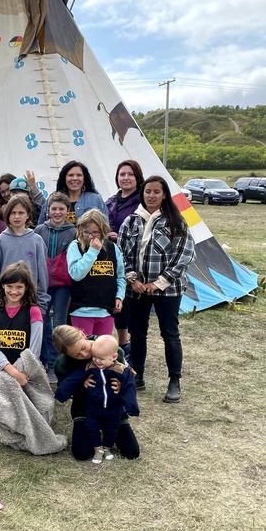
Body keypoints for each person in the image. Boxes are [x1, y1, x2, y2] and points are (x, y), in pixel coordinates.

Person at [118, 176, 195, 403]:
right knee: (137, 332)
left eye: (156, 192)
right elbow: (121, 253)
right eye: (148, 191)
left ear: (164, 195)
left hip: (168, 289)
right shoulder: (131, 221)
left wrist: (159, 282)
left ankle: (174, 380)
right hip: (137, 288)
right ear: (142, 194)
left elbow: (185, 254)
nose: (151, 196)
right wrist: (132, 279)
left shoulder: (175, 221)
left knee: (169, 333)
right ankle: (138, 375)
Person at [52, 325, 139, 461]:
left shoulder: (110, 347)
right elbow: (66, 389)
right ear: (66, 354)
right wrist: (82, 385)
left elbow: (128, 377)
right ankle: (93, 431)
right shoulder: (62, 364)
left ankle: (110, 433)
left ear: (83, 335)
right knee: (82, 453)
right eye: (76, 355)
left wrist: (121, 386)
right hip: (85, 409)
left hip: (113, 408)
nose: (84, 355)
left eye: (83, 348)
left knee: (131, 452)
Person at [105, 159, 145, 353]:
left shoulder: (142, 202)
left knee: (130, 303)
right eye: (122, 174)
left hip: (133, 259)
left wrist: (119, 236)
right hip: (111, 257)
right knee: (116, 300)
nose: (126, 178)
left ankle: (128, 344)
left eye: (130, 174)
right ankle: (119, 343)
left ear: (138, 177)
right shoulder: (111, 201)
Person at [66, 209, 125, 337]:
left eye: (95, 233)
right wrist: (92, 252)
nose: (90, 236)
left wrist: (119, 296)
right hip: (81, 310)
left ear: (103, 231)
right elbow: (76, 274)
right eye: (86, 232)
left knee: (103, 348)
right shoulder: (75, 246)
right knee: (84, 348)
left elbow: (120, 276)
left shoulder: (112, 248)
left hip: (106, 310)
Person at [0, 195, 49, 312]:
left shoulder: (37, 240)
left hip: (31, 303)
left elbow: (43, 275)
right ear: (7, 215)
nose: (17, 216)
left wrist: (41, 304)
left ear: (28, 215)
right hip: (5, 303)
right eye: (13, 213)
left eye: (21, 213)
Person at [0, 262, 43, 378]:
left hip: (25, 375)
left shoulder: (34, 312)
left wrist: (20, 373)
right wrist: (11, 371)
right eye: (10, 286)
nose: (14, 291)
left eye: (19, 287)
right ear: (3, 285)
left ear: (26, 287)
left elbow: (34, 350)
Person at [34, 192, 75, 328]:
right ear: (48, 210)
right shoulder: (39, 230)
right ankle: (45, 343)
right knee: (42, 318)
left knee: (59, 320)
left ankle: (59, 343)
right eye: (54, 209)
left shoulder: (73, 232)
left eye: (61, 209)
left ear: (67, 210)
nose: (57, 212)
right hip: (42, 283)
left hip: (63, 285)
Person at [37, 161, 107, 226]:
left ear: (84, 178)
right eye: (71, 175)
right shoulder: (53, 198)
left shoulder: (95, 199)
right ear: (64, 178)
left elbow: (105, 226)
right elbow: (41, 227)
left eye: (79, 175)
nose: (75, 178)